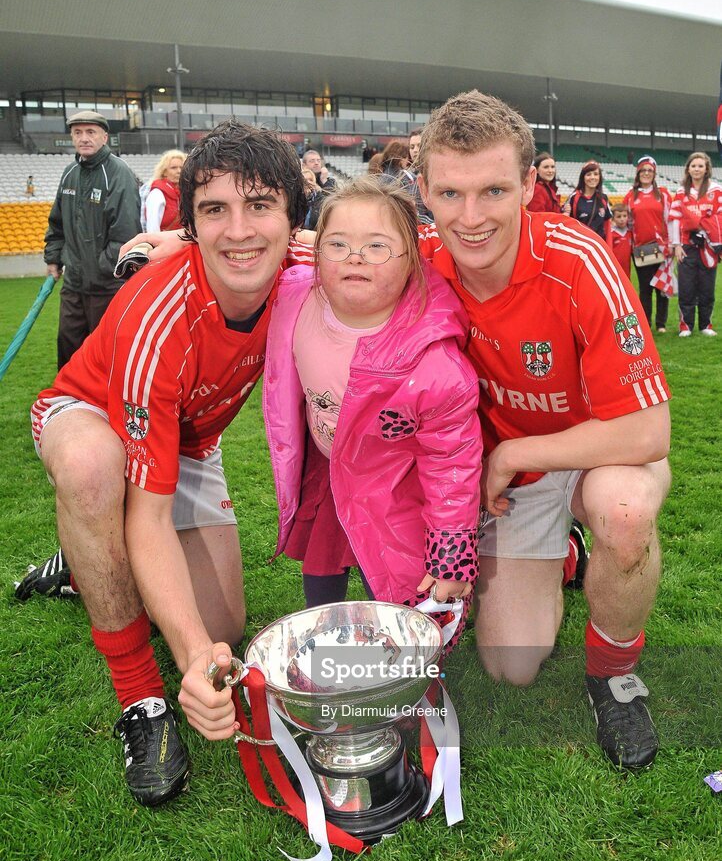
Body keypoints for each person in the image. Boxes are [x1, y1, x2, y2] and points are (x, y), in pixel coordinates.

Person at [22, 120, 308, 807]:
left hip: (188, 439)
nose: (239, 230)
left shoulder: (309, 264)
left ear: (294, 219)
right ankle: (140, 703)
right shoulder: (158, 309)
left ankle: (87, 564)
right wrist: (185, 663)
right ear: (194, 221)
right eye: (214, 211)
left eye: (259, 205)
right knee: (97, 471)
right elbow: (148, 514)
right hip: (87, 415)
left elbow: (407, 245)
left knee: (224, 626)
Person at [416, 90, 671, 772]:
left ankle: (614, 675)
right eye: (451, 194)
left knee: (623, 510)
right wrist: (175, 240)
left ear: (530, 184)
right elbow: (312, 253)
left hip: (601, 449)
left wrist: (519, 451)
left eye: (494, 190)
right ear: (424, 192)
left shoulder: (578, 258)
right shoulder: (414, 260)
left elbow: (650, 428)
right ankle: (565, 558)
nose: (471, 218)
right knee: (511, 666)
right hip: (517, 480)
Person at [263, 176, 482, 642]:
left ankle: (393, 654)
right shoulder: (295, 294)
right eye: (337, 244)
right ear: (317, 252)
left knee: (391, 582)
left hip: (394, 485)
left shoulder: (435, 366)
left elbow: (452, 466)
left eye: (378, 246)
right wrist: (174, 243)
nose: (355, 257)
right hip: (327, 466)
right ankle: (324, 634)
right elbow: (256, 251)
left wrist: (453, 555)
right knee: (323, 561)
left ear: (412, 264)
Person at [44, 110, 141, 370]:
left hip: (106, 286)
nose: (84, 138)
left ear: (104, 136)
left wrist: (101, 269)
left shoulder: (119, 173)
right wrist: (54, 258)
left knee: (104, 354)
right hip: (74, 285)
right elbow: (57, 223)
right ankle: (65, 405)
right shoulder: (69, 173)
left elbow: (125, 234)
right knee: (68, 346)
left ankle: (103, 406)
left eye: (90, 132)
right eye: (77, 133)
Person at [669, 151, 722, 337]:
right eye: (693, 166)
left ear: (707, 168)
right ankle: (686, 326)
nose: (697, 169)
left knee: (707, 287)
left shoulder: (715, 190)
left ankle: (706, 325)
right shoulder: (681, 190)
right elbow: (675, 219)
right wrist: (676, 245)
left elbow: (720, 219)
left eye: (701, 165)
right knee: (687, 287)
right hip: (686, 246)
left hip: (708, 247)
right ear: (688, 169)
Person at [623, 156, 672, 333]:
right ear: (638, 173)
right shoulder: (630, 195)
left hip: (661, 248)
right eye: (643, 170)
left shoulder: (663, 194)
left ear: (654, 173)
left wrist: (671, 244)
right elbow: (627, 222)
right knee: (645, 288)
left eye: (649, 170)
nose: (646, 173)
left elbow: (669, 219)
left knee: (661, 288)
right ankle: (646, 323)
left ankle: (661, 324)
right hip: (641, 250)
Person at [563, 160, 612, 242]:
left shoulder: (604, 198)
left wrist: (609, 249)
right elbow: (567, 224)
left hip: (599, 246)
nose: (593, 177)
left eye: (596, 174)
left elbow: (607, 227)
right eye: (588, 174)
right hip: (580, 245)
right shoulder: (573, 198)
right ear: (583, 177)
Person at [144, 150, 186, 232]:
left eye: (181, 167)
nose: (179, 171)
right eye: (173, 168)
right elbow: (152, 229)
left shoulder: (185, 192)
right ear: (164, 172)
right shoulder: (157, 193)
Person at [609, 203, 632, 279]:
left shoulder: (629, 232)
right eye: (619, 217)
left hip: (627, 269)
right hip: (614, 268)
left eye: (624, 216)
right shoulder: (611, 234)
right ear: (613, 218)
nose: (622, 219)